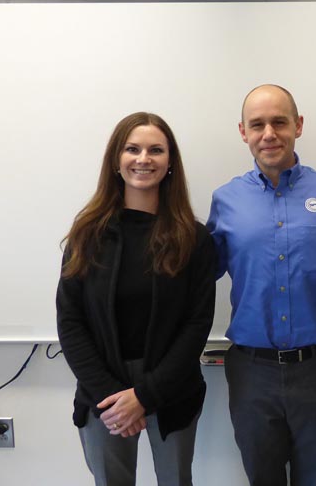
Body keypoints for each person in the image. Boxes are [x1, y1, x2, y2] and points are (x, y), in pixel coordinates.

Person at [207, 84, 316, 486]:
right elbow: (198, 278)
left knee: (314, 478)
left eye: (279, 122)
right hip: (252, 372)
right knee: (262, 478)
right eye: (257, 124)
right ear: (243, 131)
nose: (268, 133)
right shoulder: (225, 200)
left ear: (299, 125)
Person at [56, 112, 216, 486]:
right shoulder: (87, 235)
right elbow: (70, 321)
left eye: (156, 150)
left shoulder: (193, 238)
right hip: (102, 389)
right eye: (133, 149)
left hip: (172, 386)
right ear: (116, 159)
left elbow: (197, 324)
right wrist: (114, 396)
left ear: (170, 162)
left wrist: (145, 396)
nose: (144, 158)